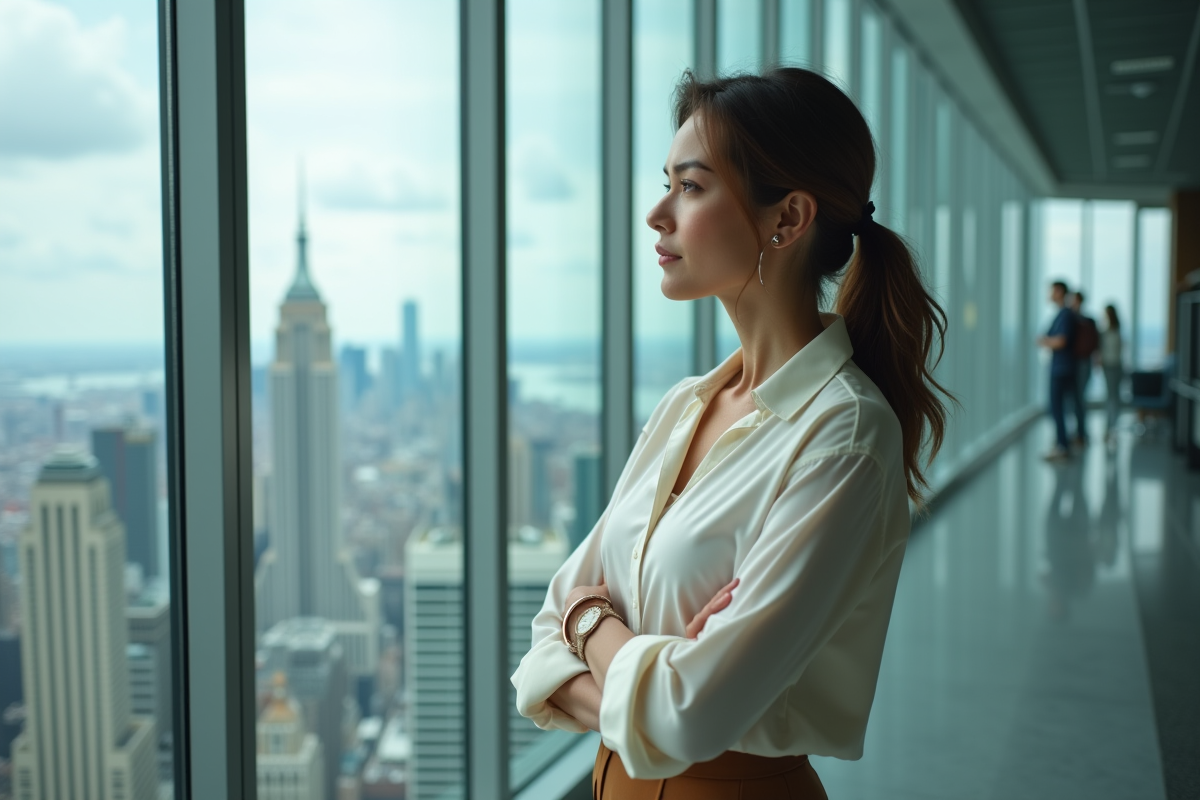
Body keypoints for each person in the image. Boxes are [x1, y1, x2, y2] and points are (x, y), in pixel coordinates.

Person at [512, 68, 951, 799]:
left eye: (689, 187)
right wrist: (644, 671)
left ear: (787, 219)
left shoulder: (843, 437)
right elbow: (540, 643)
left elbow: (688, 716)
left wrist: (589, 622)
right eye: (668, 183)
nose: (658, 214)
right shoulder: (686, 404)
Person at [1037, 281, 1076, 461]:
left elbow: (1061, 341)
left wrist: (1045, 341)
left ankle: (1062, 446)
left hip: (1061, 368)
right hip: (1062, 367)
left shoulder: (1065, 315)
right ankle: (1062, 443)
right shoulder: (1063, 314)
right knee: (1059, 407)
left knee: (1056, 407)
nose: (1049, 294)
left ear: (1059, 291)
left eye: (1052, 290)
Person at [1068, 291, 1098, 445]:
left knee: (1079, 398)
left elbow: (1095, 342)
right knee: (1074, 399)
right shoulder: (1074, 319)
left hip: (1083, 362)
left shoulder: (1085, 321)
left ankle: (1081, 433)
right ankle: (1078, 432)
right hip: (1073, 362)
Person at [1099, 304, 1123, 439]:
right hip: (1108, 366)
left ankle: (1113, 426)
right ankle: (1109, 427)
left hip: (1117, 366)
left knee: (1115, 397)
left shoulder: (1117, 330)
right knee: (1110, 397)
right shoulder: (1104, 332)